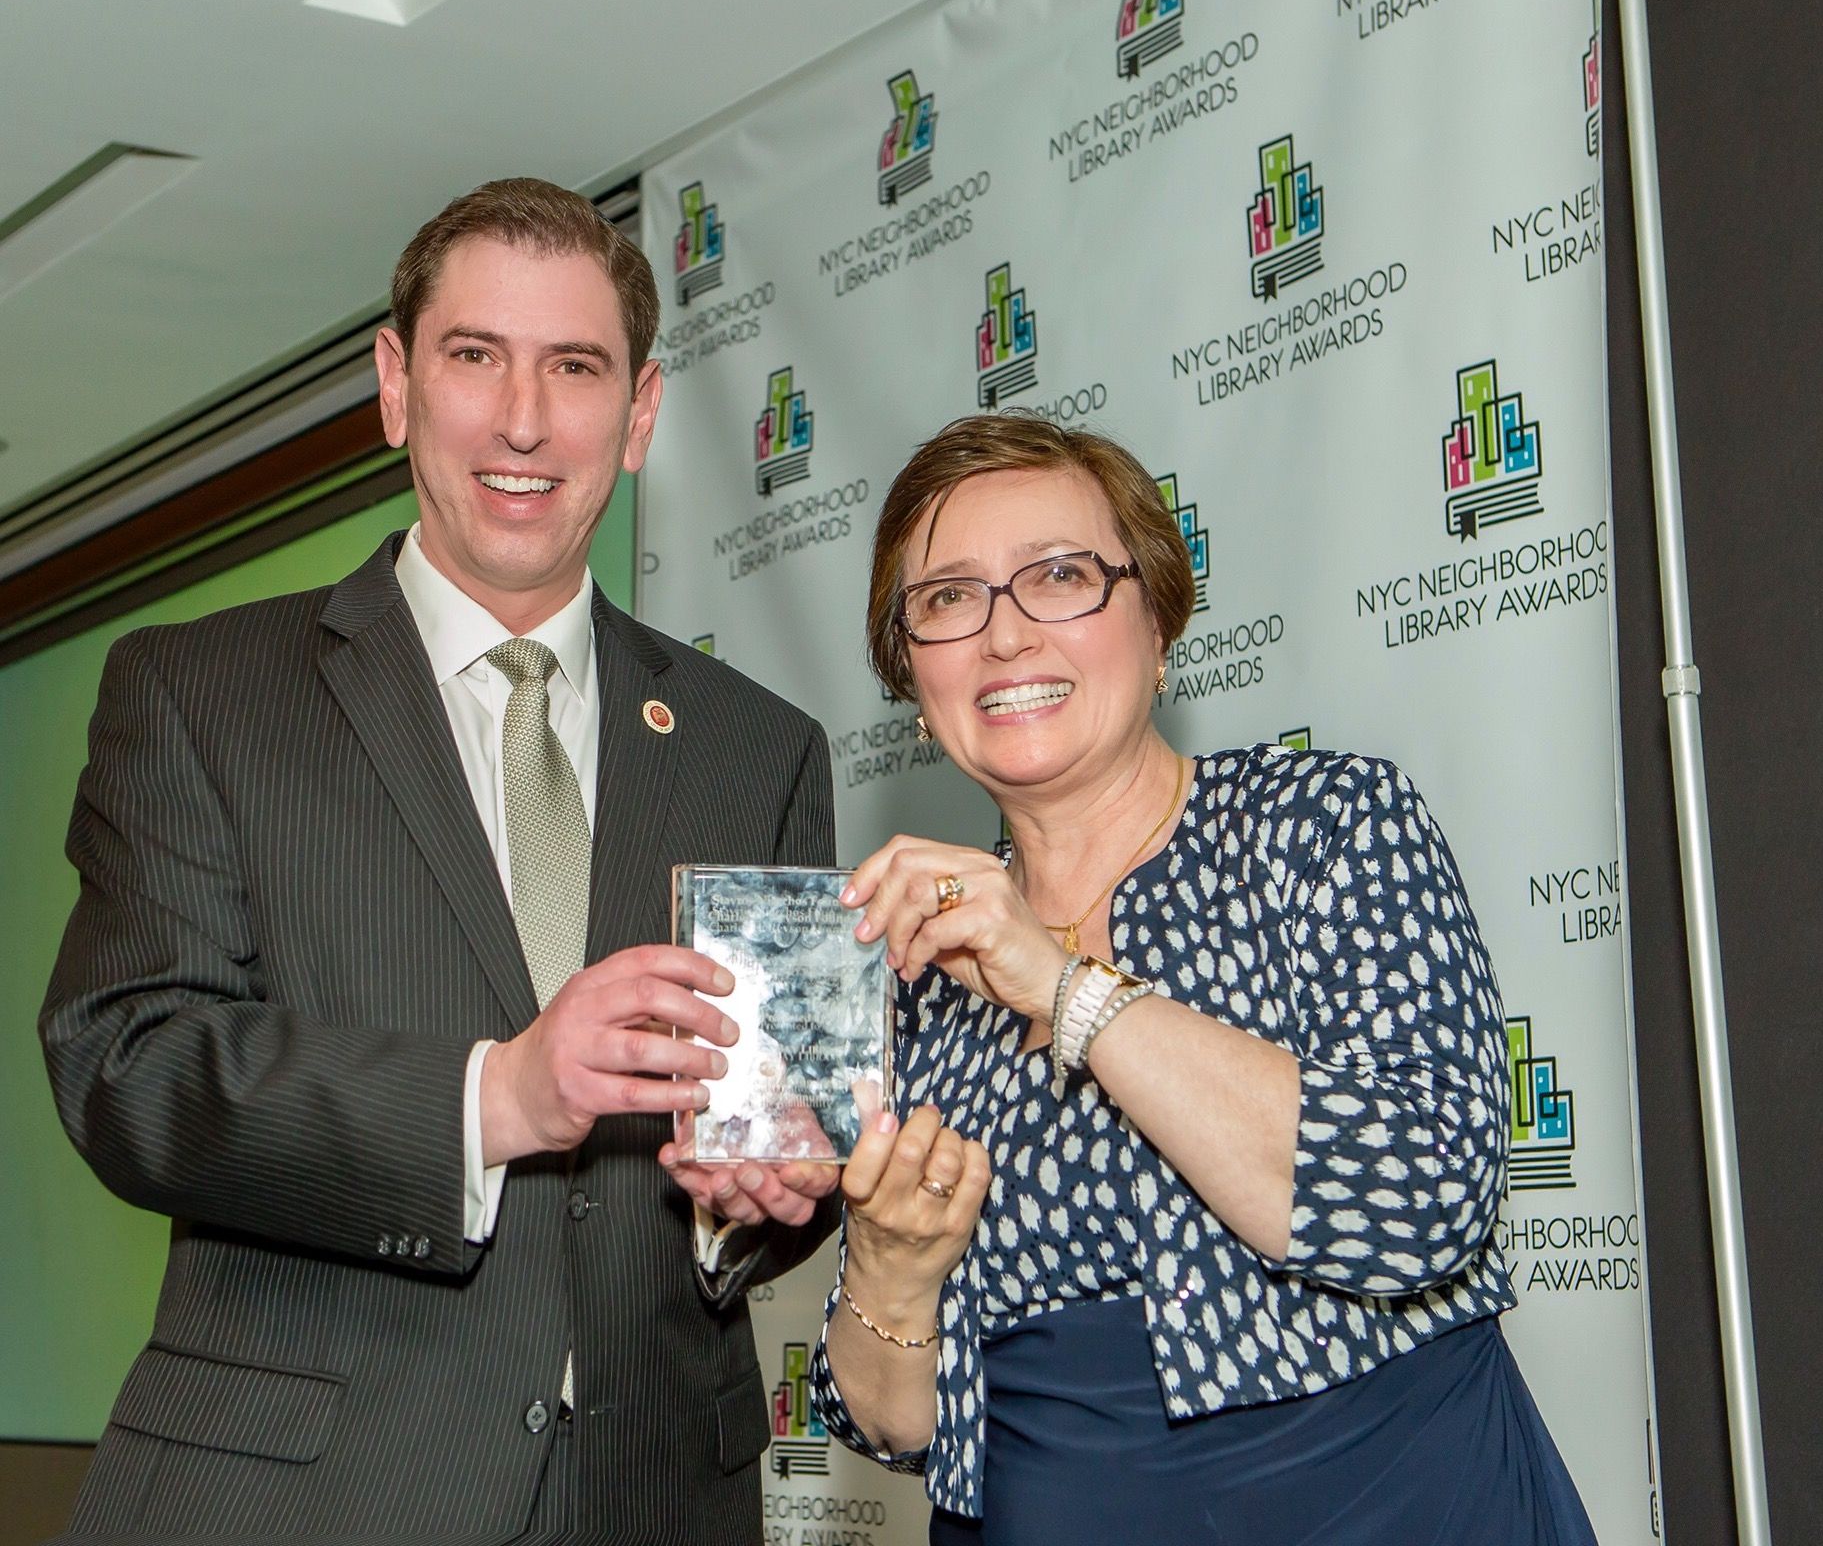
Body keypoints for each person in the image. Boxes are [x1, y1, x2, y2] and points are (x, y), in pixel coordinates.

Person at [39, 178, 838, 1543]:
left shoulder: (757, 751)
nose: (524, 420)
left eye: (574, 368)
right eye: (476, 357)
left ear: (638, 412)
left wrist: (758, 1200)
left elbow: (772, 1149)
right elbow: (131, 1067)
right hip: (311, 1498)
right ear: (398, 384)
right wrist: (495, 1097)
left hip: (655, 1502)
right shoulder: (199, 694)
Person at [807, 413, 1597, 1544]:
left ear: (1158, 622)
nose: (1004, 634)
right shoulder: (901, 959)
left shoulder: (1326, 827)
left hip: (1396, 1503)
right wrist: (889, 1268)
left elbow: (1424, 1197)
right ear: (910, 670)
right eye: (947, 599)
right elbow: (893, 1426)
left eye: (1061, 576)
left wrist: (1060, 981)